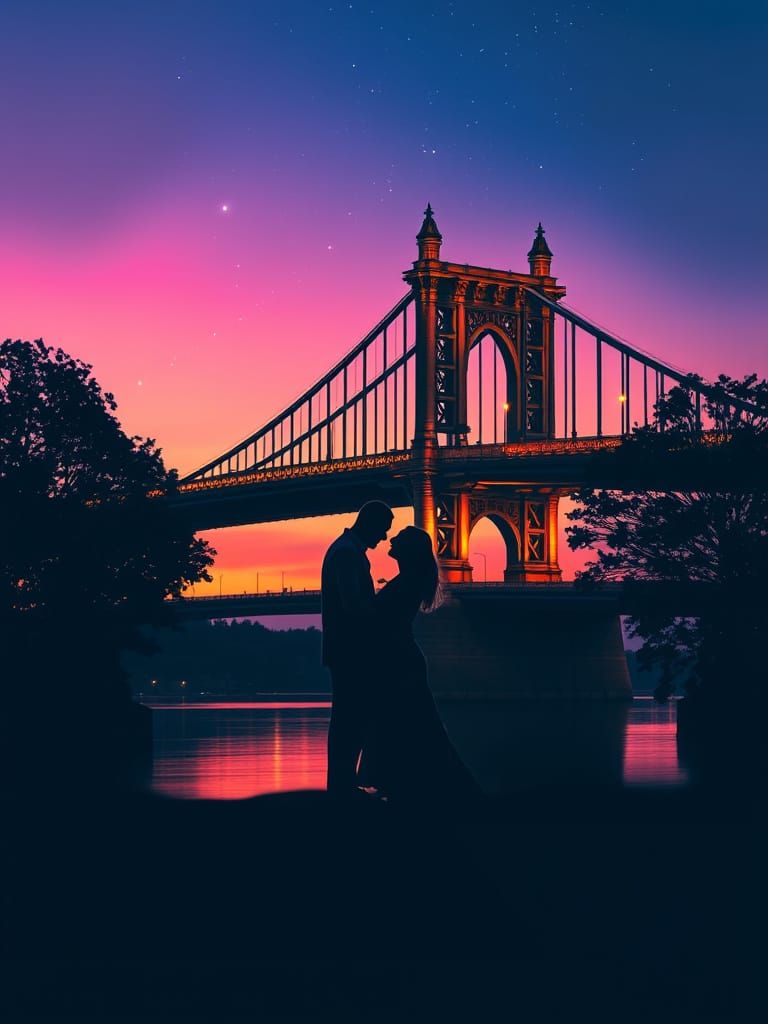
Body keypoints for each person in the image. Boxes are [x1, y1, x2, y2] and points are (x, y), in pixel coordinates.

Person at [363, 526, 479, 803]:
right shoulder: (409, 580)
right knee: (413, 722)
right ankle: (417, 783)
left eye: (400, 538)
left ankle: (406, 783)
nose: (392, 538)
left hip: (399, 661)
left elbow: (378, 619)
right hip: (400, 658)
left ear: (409, 551)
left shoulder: (407, 582)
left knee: (404, 722)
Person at [321, 500, 394, 796]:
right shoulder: (347, 553)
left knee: (348, 719)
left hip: (345, 650)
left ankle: (342, 785)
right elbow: (352, 605)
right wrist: (385, 613)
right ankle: (342, 787)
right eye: (383, 529)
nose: (385, 537)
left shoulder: (346, 549)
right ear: (369, 523)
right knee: (349, 720)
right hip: (350, 652)